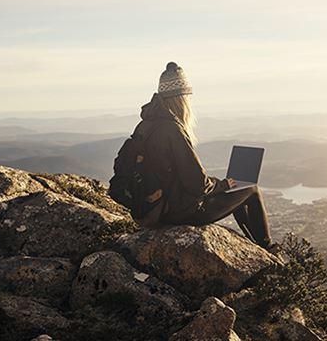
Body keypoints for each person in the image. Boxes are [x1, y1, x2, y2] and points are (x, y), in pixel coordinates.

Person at [117, 61, 273, 250]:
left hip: (152, 209)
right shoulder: (172, 129)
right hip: (177, 212)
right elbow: (198, 184)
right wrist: (223, 185)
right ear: (181, 98)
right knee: (251, 190)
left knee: (236, 192)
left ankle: (256, 248)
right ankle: (267, 248)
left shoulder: (145, 125)